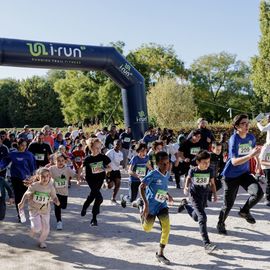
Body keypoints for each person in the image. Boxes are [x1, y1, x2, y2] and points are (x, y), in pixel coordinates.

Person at [217, 114, 264, 235]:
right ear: (237, 126)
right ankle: (221, 223)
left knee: (258, 193)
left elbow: (255, 152)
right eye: (244, 123)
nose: (247, 125)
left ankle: (244, 211)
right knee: (228, 204)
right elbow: (234, 161)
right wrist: (250, 156)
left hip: (244, 173)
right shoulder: (234, 139)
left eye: (248, 123)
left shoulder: (251, 137)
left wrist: (258, 164)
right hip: (230, 176)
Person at [178, 150, 217, 253]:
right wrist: (186, 187)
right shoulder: (193, 170)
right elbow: (188, 178)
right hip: (194, 195)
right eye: (204, 162)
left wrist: (214, 194)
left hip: (204, 195)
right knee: (202, 217)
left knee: (196, 217)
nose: (207, 164)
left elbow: (212, 183)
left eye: (208, 162)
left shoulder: (210, 170)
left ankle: (185, 204)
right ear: (198, 162)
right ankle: (207, 243)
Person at [139, 151, 173, 265]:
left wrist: (168, 195)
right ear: (158, 163)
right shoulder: (153, 174)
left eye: (168, 163)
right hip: (151, 206)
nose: (166, 165)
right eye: (163, 164)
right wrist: (145, 204)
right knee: (147, 229)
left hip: (162, 205)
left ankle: (160, 253)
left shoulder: (167, 174)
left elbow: (163, 187)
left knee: (166, 227)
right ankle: (140, 208)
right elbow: (141, 187)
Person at [18, 168, 60, 248]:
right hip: (34, 209)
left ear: (49, 176)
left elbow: (54, 196)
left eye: (47, 176)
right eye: (43, 176)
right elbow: (26, 194)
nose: (45, 178)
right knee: (37, 228)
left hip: (45, 210)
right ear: (38, 177)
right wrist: (22, 202)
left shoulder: (51, 187)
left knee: (46, 229)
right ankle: (33, 230)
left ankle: (42, 241)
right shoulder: (34, 186)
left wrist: (56, 200)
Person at [0, 138, 36, 222]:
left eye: (25, 145)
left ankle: (33, 214)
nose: (24, 147)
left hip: (26, 178)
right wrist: (0, 166)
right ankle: (20, 215)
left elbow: (33, 167)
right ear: (18, 145)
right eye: (22, 145)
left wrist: (34, 176)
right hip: (15, 178)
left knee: (26, 196)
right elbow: (4, 162)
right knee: (18, 197)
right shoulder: (13, 154)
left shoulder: (29, 155)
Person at [78, 138, 111, 226]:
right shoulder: (88, 159)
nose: (98, 149)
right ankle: (94, 218)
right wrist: (79, 178)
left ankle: (85, 206)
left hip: (100, 179)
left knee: (93, 195)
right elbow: (81, 167)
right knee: (99, 198)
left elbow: (110, 167)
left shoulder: (103, 157)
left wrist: (103, 169)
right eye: (96, 148)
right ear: (91, 147)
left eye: (99, 148)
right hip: (91, 179)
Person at [49, 153, 76, 230]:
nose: (60, 162)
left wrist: (80, 177)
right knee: (57, 206)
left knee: (63, 206)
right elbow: (45, 174)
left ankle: (59, 213)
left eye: (62, 161)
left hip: (64, 192)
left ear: (65, 161)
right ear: (55, 161)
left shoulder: (67, 169)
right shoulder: (52, 168)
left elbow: (74, 175)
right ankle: (59, 221)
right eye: (58, 161)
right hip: (55, 192)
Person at [120, 142, 150, 208]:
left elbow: (150, 167)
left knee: (144, 197)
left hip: (142, 181)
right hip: (133, 181)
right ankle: (123, 198)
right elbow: (129, 171)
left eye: (145, 151)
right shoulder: (135, 158)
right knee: (131, 199)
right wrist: (138, 176)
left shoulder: (147, 158)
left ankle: (142, 210)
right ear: (138, 151)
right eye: (142, 151)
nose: (144, 152)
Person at [105, 140, 123, 204]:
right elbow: (104, 159)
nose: (118, 146)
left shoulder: (121, 153)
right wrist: (106, 168)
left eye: (119, 145)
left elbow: (119, 162)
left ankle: (113, 198)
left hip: (117, 171)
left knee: (118, 184)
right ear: (114, 145)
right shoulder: (109, 152)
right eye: (117, 144)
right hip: (110, 171)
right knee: (110, 186)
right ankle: (106, 182)